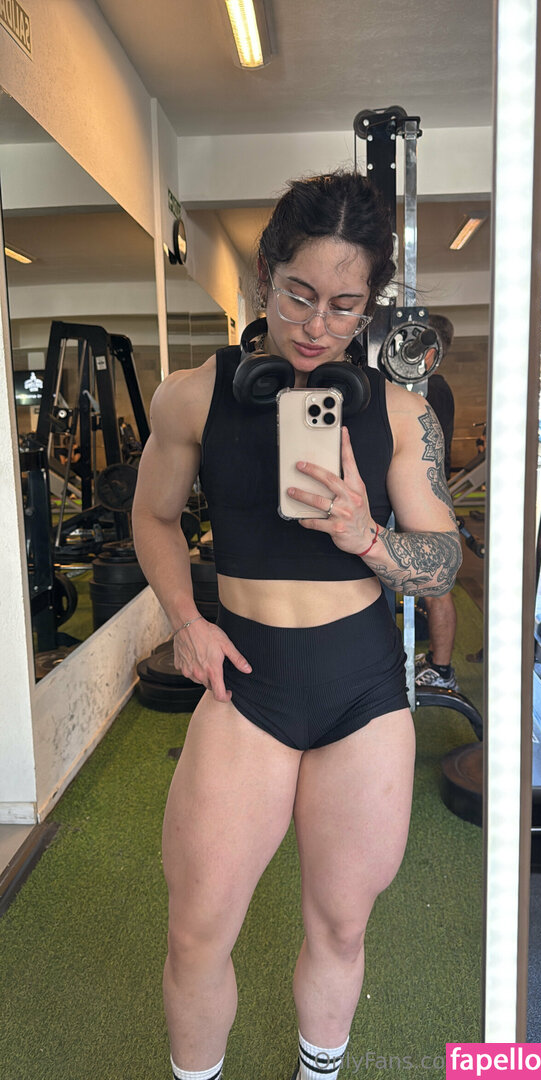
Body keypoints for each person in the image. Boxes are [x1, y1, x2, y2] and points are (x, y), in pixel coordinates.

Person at [132, 171, 461, 1080]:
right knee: (197, 930)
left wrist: (367, 536)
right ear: (265, 276)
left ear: (370, 309)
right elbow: (152, 517)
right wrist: (186, 621)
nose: (317, 326)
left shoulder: (403, 415)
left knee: (341, 925)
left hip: (362, 688)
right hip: (248, 682)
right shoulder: (191, 397)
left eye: (345, 307)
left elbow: (443, 563)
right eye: (298, 295)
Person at [414, 314, 461, 692]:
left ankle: (443, 671)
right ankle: (434, 660)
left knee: (436, 588)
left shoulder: (433, 388)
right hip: (426, 492)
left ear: (430, 352)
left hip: (429, 496)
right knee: (428, 588)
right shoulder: (429, 386)